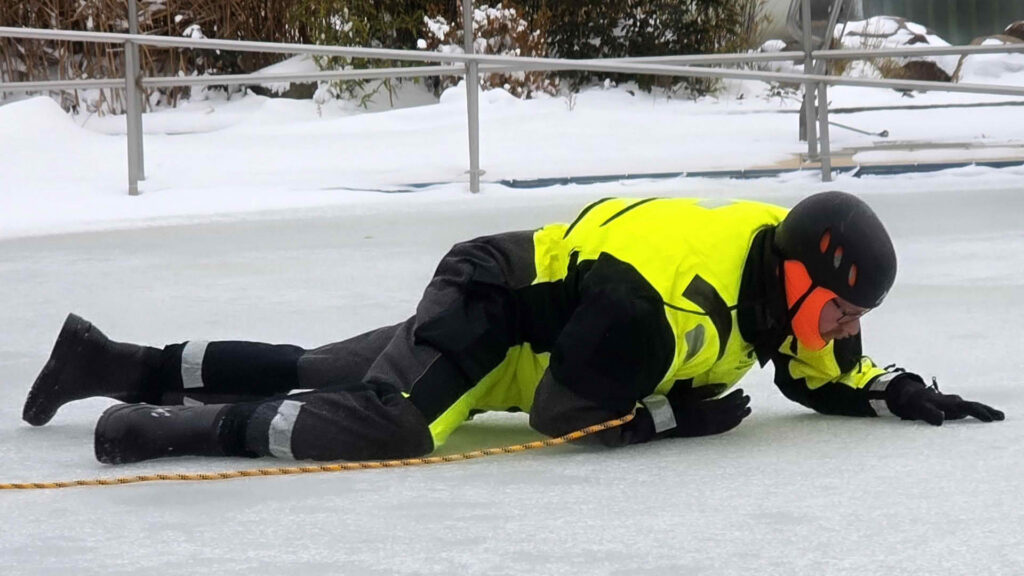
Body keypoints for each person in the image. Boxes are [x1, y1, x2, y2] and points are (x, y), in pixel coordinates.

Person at [21, 191, 1004, 464]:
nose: (841, 331)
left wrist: (892, 390)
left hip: (540, 319)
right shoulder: (663, 311)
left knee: (320, 364)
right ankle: (162, 430)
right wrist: (678, 419)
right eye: (839, 310)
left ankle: (115, 362)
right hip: (494, 304)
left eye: (854, 320)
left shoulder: (776, 268)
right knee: (395, 425)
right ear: (796, 276)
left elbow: (814, 367)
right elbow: (559, 414)